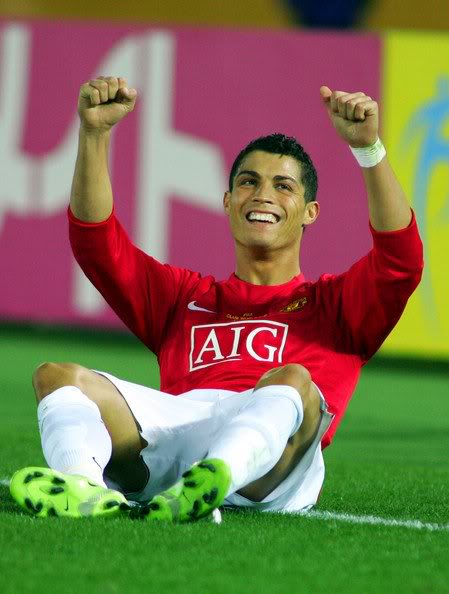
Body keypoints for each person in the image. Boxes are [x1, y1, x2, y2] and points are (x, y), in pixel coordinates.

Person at [10, 77, 423, 522]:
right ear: (228, 201)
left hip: (272, 467)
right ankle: (84, 488)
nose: (263, 194)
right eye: (249, 182)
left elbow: (401, 261)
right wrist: (94, 133)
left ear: (310, 212)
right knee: (56, 377)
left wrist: (368, 150)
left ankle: (214, 477)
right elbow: (97, 247)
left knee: (294, 381)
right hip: (178, 431)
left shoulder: (335, 306)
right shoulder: (183, 298)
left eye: (284, 186)